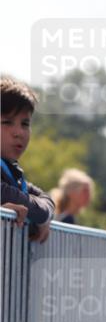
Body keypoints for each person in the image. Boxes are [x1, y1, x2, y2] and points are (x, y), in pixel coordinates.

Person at [1, 75, 53, 242]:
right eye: (7, 122)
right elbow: (41, 210)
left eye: (25, 124)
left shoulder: (12, 171)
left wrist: (40, 218)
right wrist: (39, 216)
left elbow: (47, 202)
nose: (19, 132)